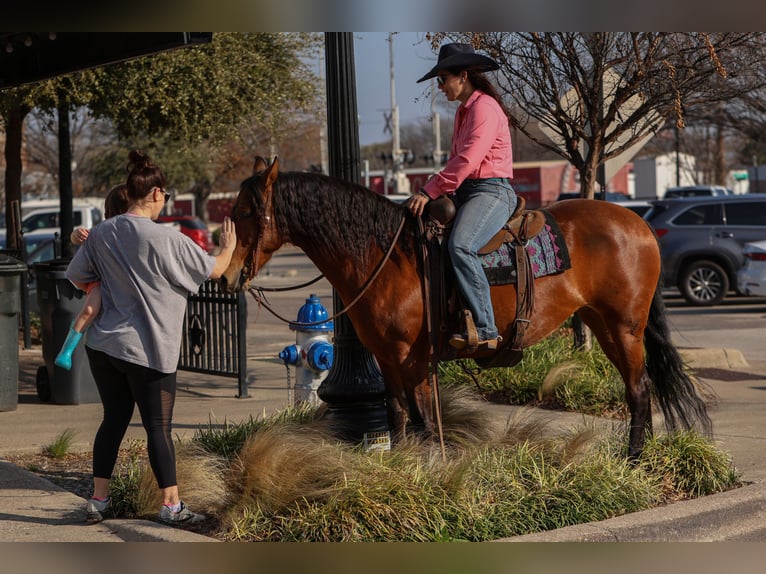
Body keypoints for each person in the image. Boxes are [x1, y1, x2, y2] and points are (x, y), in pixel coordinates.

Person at [65, 150, 237, 525]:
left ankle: (98, 501)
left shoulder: (103, 232)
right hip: (149, 350)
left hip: (104, 346)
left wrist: (107, 285)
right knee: (158, 428)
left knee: (113, 420)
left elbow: (76, 277)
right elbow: (215, 271)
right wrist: (228, 247)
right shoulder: (167, 239)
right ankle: (171, 507)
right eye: (166, 197)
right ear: (157, 193)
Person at [405, 42, 517, 352]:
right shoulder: (464, 111)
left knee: (461, 246)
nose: (439, 87)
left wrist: (429, 190)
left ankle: (486, 329)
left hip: (492, 191)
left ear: (462, 76)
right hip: (467, 191)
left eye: (442, 79)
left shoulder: (484, 108)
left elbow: (467, 161)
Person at [55, 184, 130, 370]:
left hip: (117, 281)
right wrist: (76, 234)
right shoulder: (102, 231)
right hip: (98, 279)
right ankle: (67, 350)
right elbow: (76, 238)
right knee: (89, 309)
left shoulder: (133, 232)